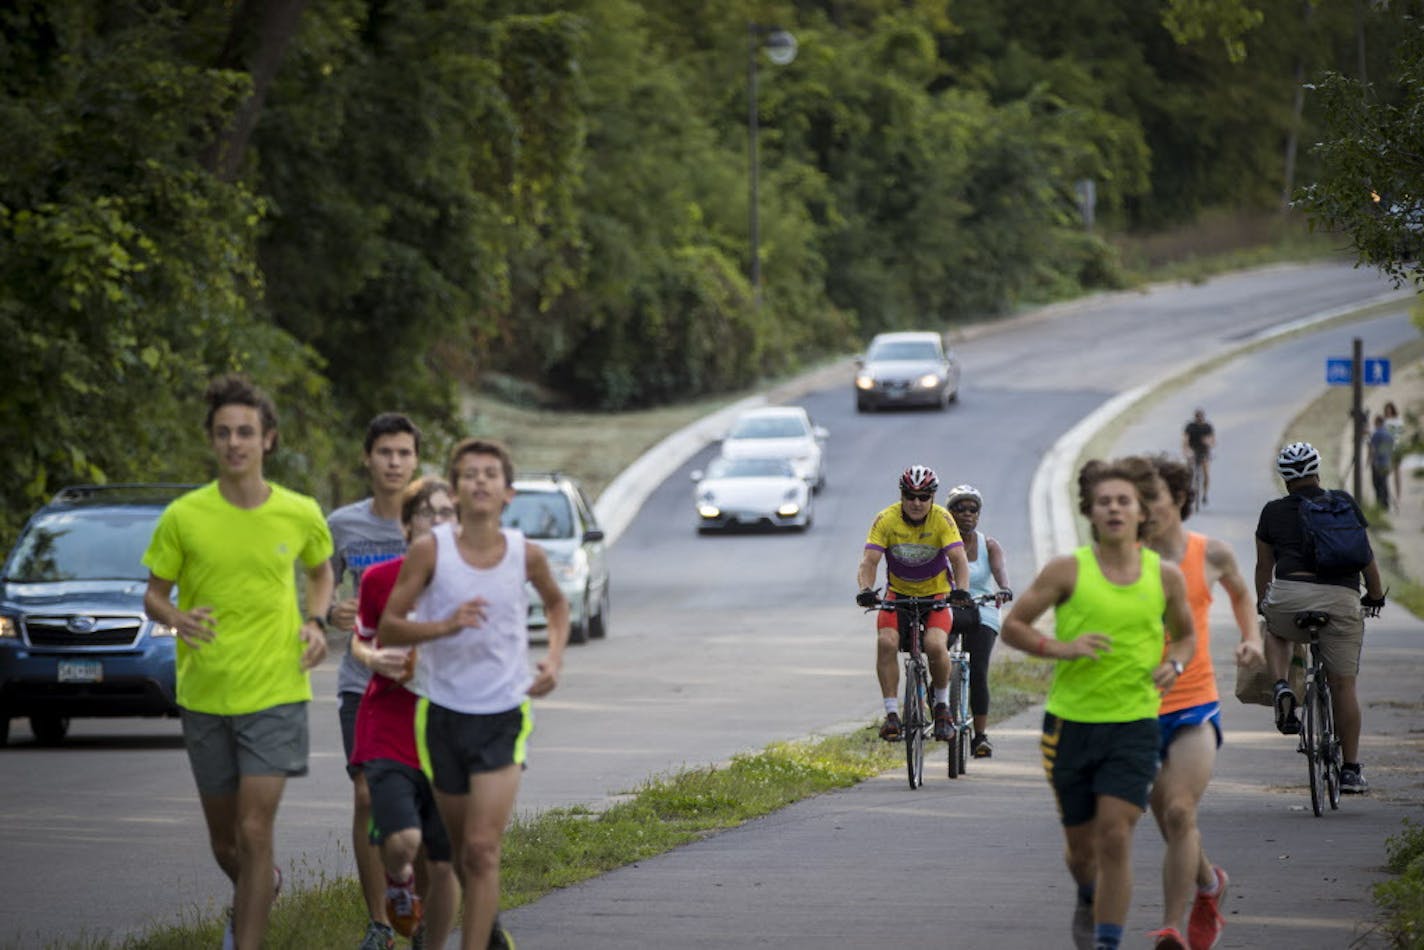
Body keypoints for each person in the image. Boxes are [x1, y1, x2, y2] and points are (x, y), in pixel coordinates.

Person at [141, 374, 333, 950]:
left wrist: (316, 621)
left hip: (276, 690)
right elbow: (154, 594)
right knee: (226, 844)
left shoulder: (298, 512)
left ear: (267, 440)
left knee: (255, 828)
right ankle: (260, 883)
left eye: (245, 432)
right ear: (211, 441)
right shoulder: (184, 516)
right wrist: (174, 618)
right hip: (204, 694)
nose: (234, 443)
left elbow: (322, 570)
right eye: (223, 433)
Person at [379, 438, 569, 950]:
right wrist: (442, 626)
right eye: (470, 474)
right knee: (461, 853)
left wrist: (553, 657)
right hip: (441, 715)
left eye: (491, 474)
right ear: (457, 488)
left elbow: (557, 606)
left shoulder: (524, 554)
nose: (480, 482)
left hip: (504, 713)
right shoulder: (430, 551)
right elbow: (390, 627)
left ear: (507, 492)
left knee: (484, 850)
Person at [999, 457, 1194, 950]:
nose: (1113, 509)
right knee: (1081, 850)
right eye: (1104, 501)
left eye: (1123, 501)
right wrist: (1060, 647)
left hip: (1134, 724)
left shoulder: (1165, 577)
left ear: (1140, 511)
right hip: (1069, 725)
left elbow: (1187, 637)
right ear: (1090, 510)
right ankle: (1088, 895)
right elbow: (1014, 626)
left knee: (1115, 835)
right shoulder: (1067, 570)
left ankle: (1107, 941)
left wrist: (1176, 664)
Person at [1142, 455, 1265, 950]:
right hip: (1136, 708)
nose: (1143, 508)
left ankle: (1173, 925)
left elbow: (1240, 594)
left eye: (1153, 496)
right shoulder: (1121, 558)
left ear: (1177, 499)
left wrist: (1251, 638)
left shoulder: (1210, 552)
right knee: (1170, 819)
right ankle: (1211, 885)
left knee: (1178, 810)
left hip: (1193, 701)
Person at [350, 477, 459, 950]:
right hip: (389, 722)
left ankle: (424, 933)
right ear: (407, 524)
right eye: (427, 513)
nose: (438, 520)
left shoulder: (471, 580)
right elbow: (361, 635)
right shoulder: (380, 578)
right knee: (402, 842)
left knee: (440, 856)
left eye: (447, 512)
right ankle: (397, 885)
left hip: (448, 728)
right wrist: (373, 658)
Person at [327, 412, 422, 949]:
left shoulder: (430, 525)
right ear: (368, 458)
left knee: (424, 799)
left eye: (403, 453)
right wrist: (329, 615)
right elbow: (322, 590)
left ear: (415, 461)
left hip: (421, 684)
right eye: (384, 452)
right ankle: (379, 922)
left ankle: (414, 894)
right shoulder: (342, 524)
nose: (393, 462)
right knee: (366, 795)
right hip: (359, 682)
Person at [1255, 441, 1386, 794]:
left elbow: (1264, 567)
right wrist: (1374, 597)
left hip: (1290, 596)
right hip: (1341, 598)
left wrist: (1261, 603)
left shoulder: (1272, 512)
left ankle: (1282, 684)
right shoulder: (1343, 504)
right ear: (1317, 472)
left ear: (1285, 479)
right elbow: (1366, 559)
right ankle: (1351, 771)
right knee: (1344, 685)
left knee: (1275, 629)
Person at [855, 465, 972, 744]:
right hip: (899, 595)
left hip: (937, 596)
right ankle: (892, 715)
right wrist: (866, 589)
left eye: (923, 497)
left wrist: (962, 591)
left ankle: (941, 708)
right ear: (902, 495)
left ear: (932, 497)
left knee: (934, 645)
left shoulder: (942, 519)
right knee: (886, 642)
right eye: (910, 496)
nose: (916, 503)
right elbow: (869, 561)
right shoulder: (886, 519)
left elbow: (958, 560)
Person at [942, 485, 1012, 758]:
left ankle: (980, 736)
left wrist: (1004, 588)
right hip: (949, 607)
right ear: (949, 513)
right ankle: (938, 707)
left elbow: (1000, 572)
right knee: (938, 654)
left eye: (973, 510)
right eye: (960, 509)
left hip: (982, 610)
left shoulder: (989, 545)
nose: (967, 515)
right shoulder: (941, 544)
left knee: (979, 669)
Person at [1182, 408, 1215, 506]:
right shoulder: (1190, 427)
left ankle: (1204, 494)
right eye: (1197, 417)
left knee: (1206, 473)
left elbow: (1213, 441)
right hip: (1193, 450)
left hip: (1204, 451)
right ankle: (1188, 491)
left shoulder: (1207, 427)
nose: (1199, 419)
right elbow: (1185, 440)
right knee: (1188, 472)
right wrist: (1186, 451)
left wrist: (1208, 442)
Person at [1369, 413, 1396, 511]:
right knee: (1384, 483)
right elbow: (1391, 449)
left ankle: (1380, 504)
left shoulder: (1376, 434)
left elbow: (1373, 449)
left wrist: (1371, 461)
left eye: (1375, 422)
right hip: (1387, 463)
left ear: (1378, 422)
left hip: (1378, 463)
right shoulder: (1389, 434)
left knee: (1377, 484)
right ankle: (1386, 503)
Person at [1383, 401, 1405, 508]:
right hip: (1387, 450)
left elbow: (1399, 433)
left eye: (1389, 410)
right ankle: (1388, 496)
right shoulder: (1384, 421)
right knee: (1386, 474)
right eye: (1387, 410)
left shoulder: (1398, 420)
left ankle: (1398, 497)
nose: (1388, 412)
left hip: (1396, 449)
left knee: (1397, 474)